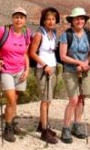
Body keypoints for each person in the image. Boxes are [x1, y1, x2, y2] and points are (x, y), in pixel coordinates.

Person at [59, 7, 90, 144]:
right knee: (73, 99)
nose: (80, 21)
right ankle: (66, 128)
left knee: (81, 98)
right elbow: (63, 56)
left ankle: (77, 126)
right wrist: (78, 63)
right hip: (70, 70)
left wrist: (86, 63)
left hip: (85, 70)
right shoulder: (66, 35)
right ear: (72, 21)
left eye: (82, 18)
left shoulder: (88, 34)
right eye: (77, 19)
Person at [0, 7, 32, 142]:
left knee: (14, 101)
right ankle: (8, 128)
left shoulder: (26, 33)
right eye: (16, 17)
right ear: (12, 18)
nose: (19, 20)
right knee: (11, 100)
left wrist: (27, 69)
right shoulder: (3, 31)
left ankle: (11, 122)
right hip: (6, 70)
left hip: (20, 70)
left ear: (25, 20)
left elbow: (25, 54)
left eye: (21, 17)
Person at [28, 7, 60, 144]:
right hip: (43, 70)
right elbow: (32, 53)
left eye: (53, 19)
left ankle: (42, 125)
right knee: (45, 100)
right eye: (48, 19)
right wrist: (44, 65)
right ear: (44, 20)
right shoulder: (39, 34)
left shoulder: (53, 33)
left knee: (49, 99)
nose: (51, 21)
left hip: (52, 68)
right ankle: (45, 131)